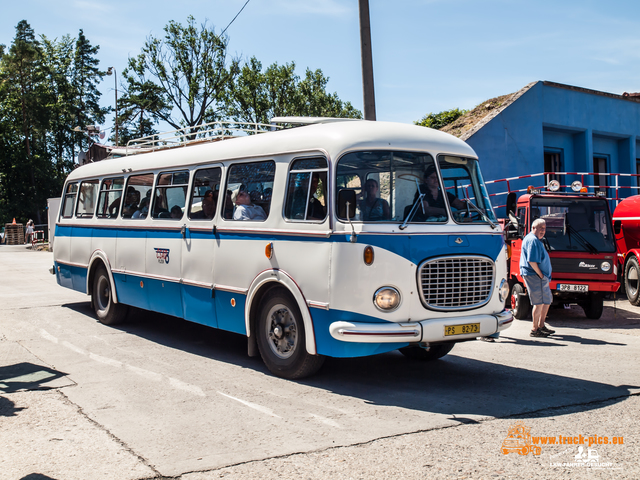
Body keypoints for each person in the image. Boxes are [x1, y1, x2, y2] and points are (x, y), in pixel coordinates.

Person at [520, 218, 556, 337]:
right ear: (533, 228)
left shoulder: (534, 239)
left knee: (547, 301)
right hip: (535, 275)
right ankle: (535, 330)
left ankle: (541, 326)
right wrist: (540, 274)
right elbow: (531, 260)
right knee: (539, 303)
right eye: (540, 228)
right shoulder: (533, 240)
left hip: (540, 276)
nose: (543, 231)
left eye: (544, 228)